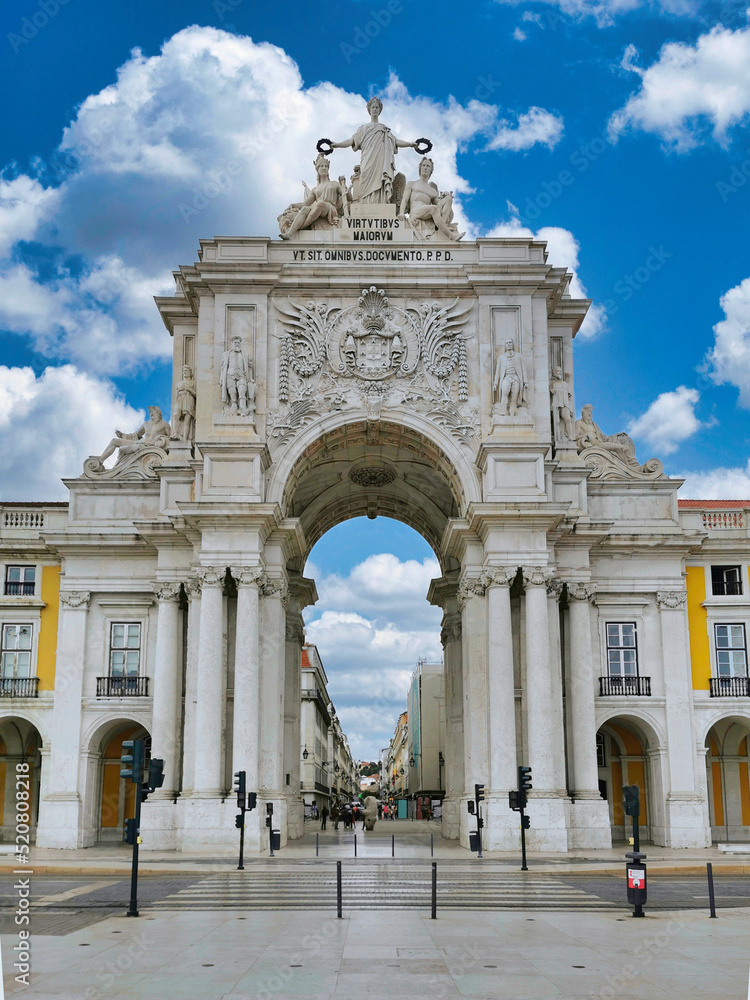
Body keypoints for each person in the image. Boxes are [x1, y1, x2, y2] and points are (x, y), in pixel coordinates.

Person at [330, 96, 419, 204]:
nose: (375, 109)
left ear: (380, 110)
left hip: (381, 160)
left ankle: (381, 203)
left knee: (380, 180)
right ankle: (366, 204)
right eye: (373, 107)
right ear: (369, 110)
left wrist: (410, 144)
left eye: (377, 107)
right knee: (365, 180)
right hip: (367, 159)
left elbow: (395, 142)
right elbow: (352, 141)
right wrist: (337, 145)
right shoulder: (363, 129)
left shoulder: (384, 129)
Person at [279, 154, 348, 239]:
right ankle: (289, 234)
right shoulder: (315, 190)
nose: (324, 168)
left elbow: (348, 197)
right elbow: (305, 203)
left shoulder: (334, 184)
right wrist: (293, 205)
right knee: (305, 209)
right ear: (317, 170)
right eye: (321, 166)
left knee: (320, 204)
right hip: (318, 208)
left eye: (326, 166)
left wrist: (344, 186)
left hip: (329, 209)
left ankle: (301, 226)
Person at [399, 157, 464, 241]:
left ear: (431, 170)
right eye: (424, 165)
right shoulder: (412, 184)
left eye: (428, 166)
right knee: (433, 208)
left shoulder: (432, 190)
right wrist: (401, 213)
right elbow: (404, 200)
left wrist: (445, 197)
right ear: (420, 168)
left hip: (427, 212)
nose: (425, 168)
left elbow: (438, 204)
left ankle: (441, 229)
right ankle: (450, 235)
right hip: (415, 212)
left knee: (448, 199)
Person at [95, 406, 171, 466]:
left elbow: (172, 438)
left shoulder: (164, 424)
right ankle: (101, 459)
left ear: (158, 413)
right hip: (139, 443)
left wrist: (161, 440)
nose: (151, 414)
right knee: (114, 441)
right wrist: (123, 435)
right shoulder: (146, 424)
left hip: (150, 445)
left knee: (122, 449)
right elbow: (136, 435)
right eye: (150, 413)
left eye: (153, 412)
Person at [493, 338, 528, 417]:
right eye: (507, 343)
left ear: (512, 344)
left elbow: (523, 369)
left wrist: (526, 381)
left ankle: (512, 414)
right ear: (505, 345)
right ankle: (503, 411)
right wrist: (495, 383)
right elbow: (497, 372)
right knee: (504, 393)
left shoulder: (519, 356)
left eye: (510, 342)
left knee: (514, 397)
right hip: (506, 378)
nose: (508, 344)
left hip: (516, 378)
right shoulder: (501, 357)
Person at [172, 365, 197, 443]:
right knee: (176, 415)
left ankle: (185, 439)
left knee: (187, 419)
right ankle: (175, 433)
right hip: (180, 399)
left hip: (189, 399)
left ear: (190, 373)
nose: (184, 372)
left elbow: (196, 395)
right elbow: (176, 396)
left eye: (186, 371)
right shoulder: (178, 383)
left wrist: (187, 389)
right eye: (183, 371)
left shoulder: (193, 383)